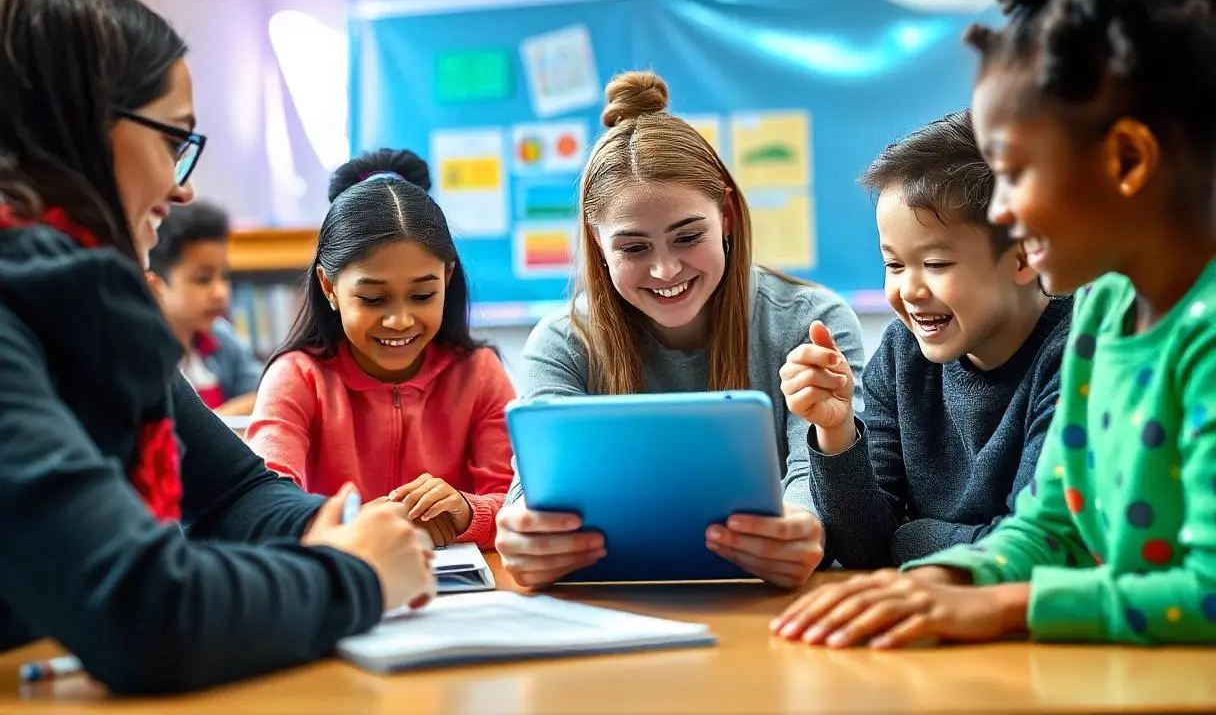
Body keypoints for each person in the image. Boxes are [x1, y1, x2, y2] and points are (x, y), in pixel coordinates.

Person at [772, 0, 1216, 648]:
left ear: (1128, 162)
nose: (1003, 210)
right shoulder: (1106, 310)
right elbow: (1049, 524)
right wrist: (943, 582)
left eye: (1014, 175)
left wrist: (1005, 605)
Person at [0, 0, 436, 695]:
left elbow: (233, 493)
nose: (182, 183)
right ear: (81, 128)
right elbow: (145, 610)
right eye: (173, 138)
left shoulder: (86, 304)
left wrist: (337, 524)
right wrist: (355, 573)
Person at [496, 70, 865, 590]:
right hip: (614, 610)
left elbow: (819, 475)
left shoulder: (810, 320)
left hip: (764, 606)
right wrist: (523, 532)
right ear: (598, 246)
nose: (666, 270)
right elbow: (533, 490)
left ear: (728, 217)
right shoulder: (562, 342)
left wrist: (803, 524)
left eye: (688, 236)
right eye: (633, 248)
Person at [784, 110, 1071, 568]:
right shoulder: (902, 356)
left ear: (1022, 258)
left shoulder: (1077, 355)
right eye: (894, 265)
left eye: (935, 265)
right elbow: (861, 550)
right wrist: (836, 431)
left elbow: (1036, 548)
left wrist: (909, 538)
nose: (910, 291)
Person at [245, 150, 515, 550]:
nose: (401, 320)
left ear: (448, 277)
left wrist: (465, 511)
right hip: (340, 590)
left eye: (423, 294)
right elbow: (266, 504)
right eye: (373, 299)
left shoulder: (478, 373)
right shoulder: (298, 376)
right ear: (328, 287)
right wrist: (362, 520)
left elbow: (518, 505)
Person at [147, 200, 262, 416]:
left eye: (224, 276)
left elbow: (266, 395)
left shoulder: (222, 337)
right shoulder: (144, 353)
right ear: (157, 284)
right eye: (203, 279)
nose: (220, 292)